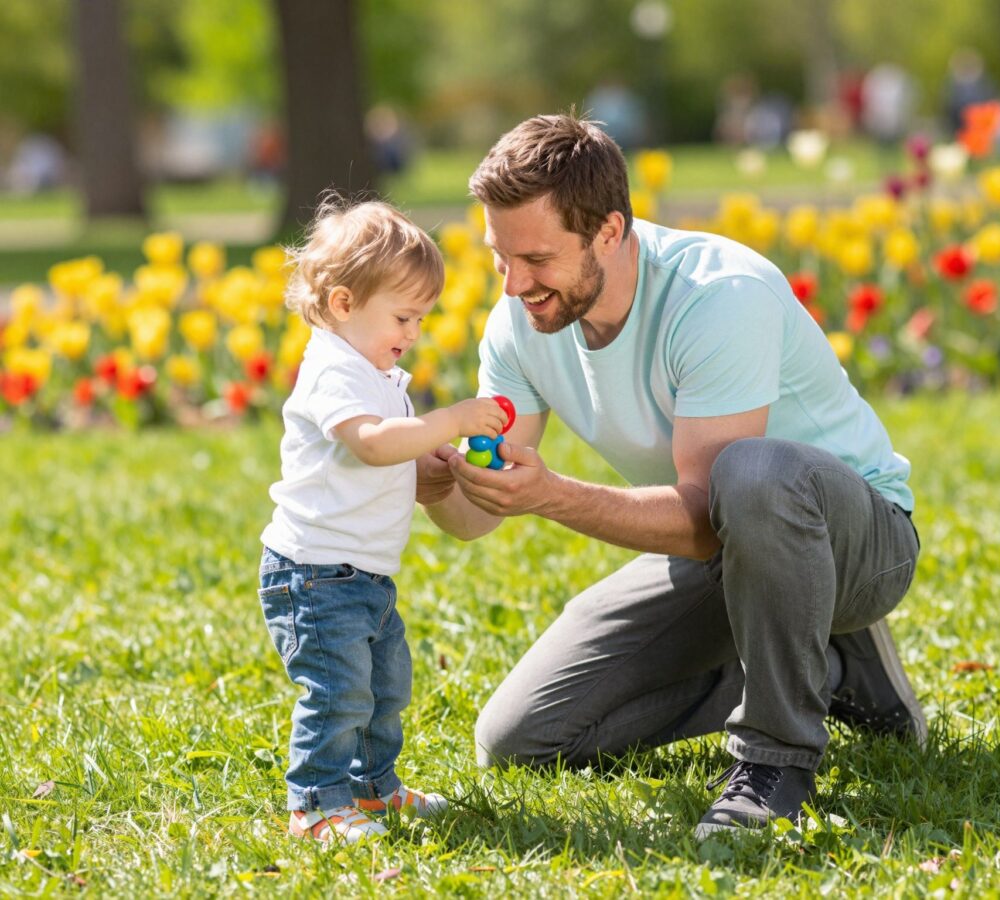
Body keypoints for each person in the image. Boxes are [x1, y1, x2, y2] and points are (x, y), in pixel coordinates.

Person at [417, 115, 925, 839]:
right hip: (723, 550)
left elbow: (700, 514)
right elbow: (478, 516)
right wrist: (437, 482)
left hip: (857, 543)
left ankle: (775, 759)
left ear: (609, 231)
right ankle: (833, 673)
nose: (514, 283)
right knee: (522, 738)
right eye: (500, 256)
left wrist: (554, 494)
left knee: (752, 473)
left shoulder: (718, 296)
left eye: (535, 258)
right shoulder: (520, 324)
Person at [258, 197, 508, 843]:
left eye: (421, 318)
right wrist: (448, 418)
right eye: (403, 316)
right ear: (343, 304)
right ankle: (314, 805)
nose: (415, 331)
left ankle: (372, 791)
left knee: (385, 688)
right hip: (314, 577)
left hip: (363, 574)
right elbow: (370, 442)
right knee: (339, 694)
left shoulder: (376, 370)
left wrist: (428, 456)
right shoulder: (331, 371)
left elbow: (388, 448)